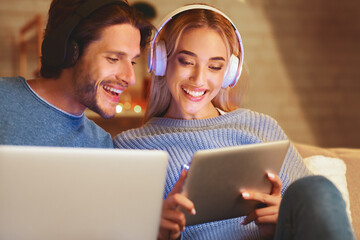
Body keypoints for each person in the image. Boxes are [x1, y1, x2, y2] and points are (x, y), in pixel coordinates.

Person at [114, 4, 355, 240]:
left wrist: (284, 217)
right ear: (162, 61)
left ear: (229, 73)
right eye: (186, 62)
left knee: (316, 188)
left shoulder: (260, 126)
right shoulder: (132, 146)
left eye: (215, 66)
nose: (199, 79)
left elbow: (312, 211)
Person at [0, 0, 153, 148]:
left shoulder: (101, 144)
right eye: (113, 59)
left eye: (132, 62)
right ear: (68, 51)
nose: (130, 78)